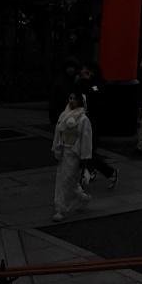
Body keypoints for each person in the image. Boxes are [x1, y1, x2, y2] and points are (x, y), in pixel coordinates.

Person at [74, 63, 118, 189]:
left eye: (86, 71)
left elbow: (97, 93)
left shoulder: (98, 84)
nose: (83, 73)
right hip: (82, 120)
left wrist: (87, 82)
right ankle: (93, 171)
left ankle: (105, 172)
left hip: (94, 122)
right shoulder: (80, 83)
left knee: (88, 151)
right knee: (83, 151)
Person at [52, 91, 92, 220]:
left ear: (80, 101)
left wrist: (84, 160)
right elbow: (58, 133)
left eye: (74, 99)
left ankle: (61, 209)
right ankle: (81, 198)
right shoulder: (64, 115)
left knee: (68, 180)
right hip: (63, 151)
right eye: (70, 98)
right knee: (63, 180)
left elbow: (86, 140)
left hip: (74, 153)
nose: (71, 101)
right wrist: (56, 149)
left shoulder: (83, 119)